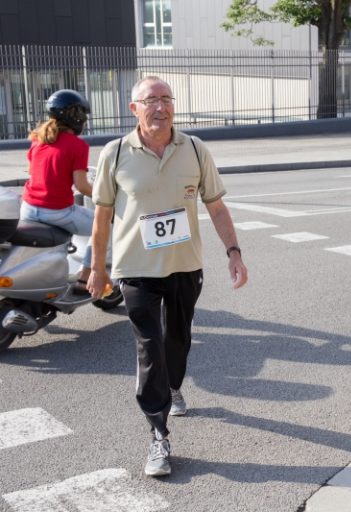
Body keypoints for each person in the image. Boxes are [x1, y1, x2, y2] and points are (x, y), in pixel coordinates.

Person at [87, 76, 248, 477]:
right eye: (150, 100)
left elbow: (216, 207)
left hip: (185, 266)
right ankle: (158, 434)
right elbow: (102, 216)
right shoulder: (115, 153)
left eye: (166, 99)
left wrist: (234, 252)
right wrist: (98, 268)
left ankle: (174, 385)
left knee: (177, 340)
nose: (160, 107)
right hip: (136, 269)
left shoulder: (194, 148)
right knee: (150, 347)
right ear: (134, 109)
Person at [21, 89, 94, 293]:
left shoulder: (38, 139)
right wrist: (106, 195)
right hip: (56, 212)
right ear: (76, 116)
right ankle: (85, 278)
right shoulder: (78, 146)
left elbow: (33, 172)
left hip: (28, 208)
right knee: (103, 225)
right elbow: (82, 186)